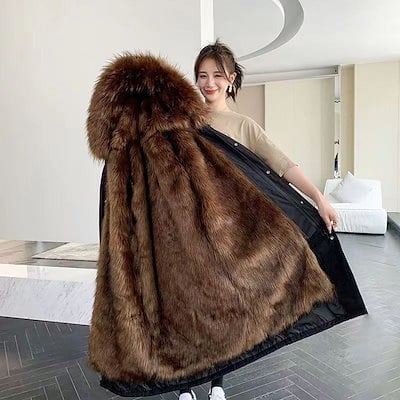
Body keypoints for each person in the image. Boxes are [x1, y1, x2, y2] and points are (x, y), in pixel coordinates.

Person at [177, 40, 340, 400]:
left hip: (227, 233)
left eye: (217, 75)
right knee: (188, 307)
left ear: (231, 79)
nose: (209, 83)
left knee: (223, 309)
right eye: (202, 75)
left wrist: (318, 198)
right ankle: (184, 385)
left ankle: (217, 383)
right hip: (189, 229)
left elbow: (281, 164)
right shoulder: (181, 122)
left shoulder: (243, 126)